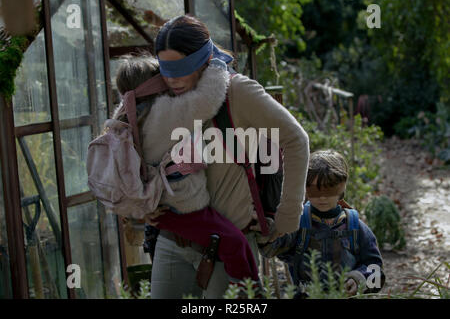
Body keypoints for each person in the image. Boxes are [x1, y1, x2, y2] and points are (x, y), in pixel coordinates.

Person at [144, 15, 310, 299]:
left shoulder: (237, 91)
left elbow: (296, 140)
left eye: (181, 68)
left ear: (205, 59)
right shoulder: (159, 95)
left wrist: (288, 215)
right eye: (165, 69)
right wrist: (139, 203)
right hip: (172, 242)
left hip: (229, 246)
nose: (172, 79)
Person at [113, 53, 260, 289]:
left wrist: (141, 207)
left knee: (230, 241)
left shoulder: (124, 115)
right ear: (155, 84)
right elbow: (207, 100)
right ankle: (248, 295)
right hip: (182, 207)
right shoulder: (161, 113)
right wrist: (216, 65)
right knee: (235, 244)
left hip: (159, 208)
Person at [258, 149, 385, 298]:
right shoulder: (297, 224)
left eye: (329, 189)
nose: (322, 197)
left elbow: (377, 272)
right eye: (315, 190)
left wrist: (358, 280)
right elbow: (271, 248)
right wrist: (266, 230)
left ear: (342, 188)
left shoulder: (356, 227)